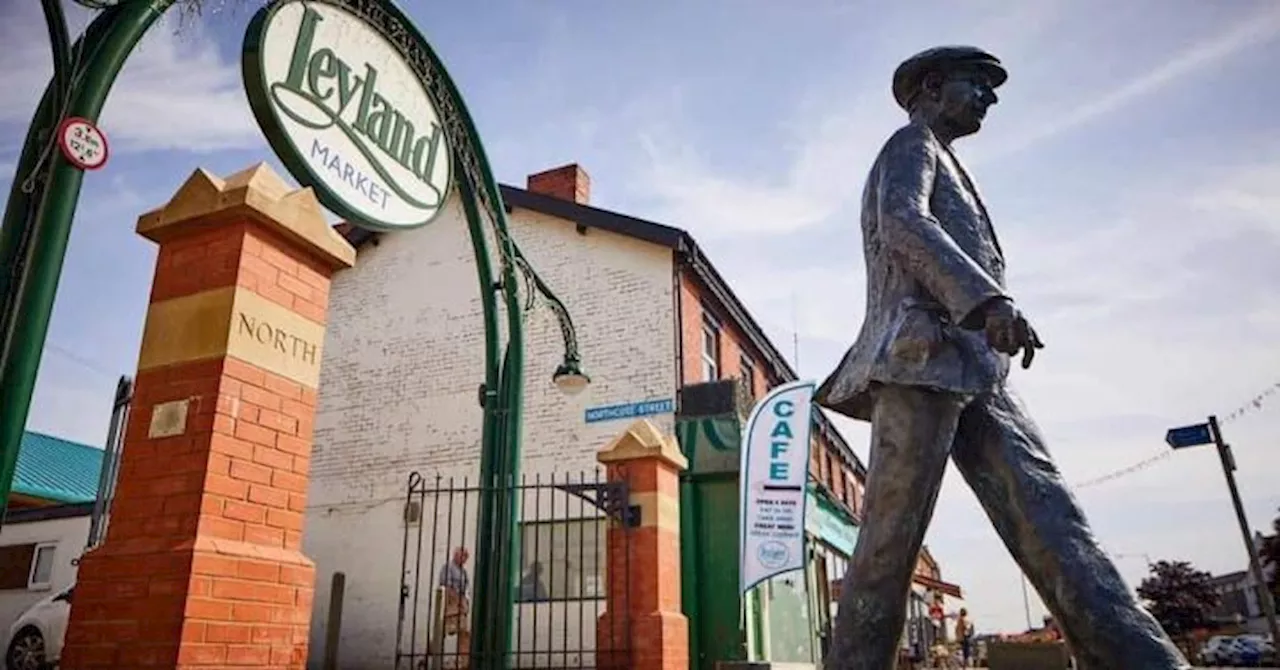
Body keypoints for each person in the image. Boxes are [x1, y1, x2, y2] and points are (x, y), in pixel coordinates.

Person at [816, 45, 1190, 670]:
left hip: (972, 363)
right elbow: (902, 222)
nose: (990, 98)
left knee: (1052, 520)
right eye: (978, 85)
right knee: (888, 547)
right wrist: (986, 300)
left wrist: (989, 313)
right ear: (932, 87)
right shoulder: (910, 148)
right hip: (921, 357)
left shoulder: (947, 161)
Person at [435, 546, 471, 669]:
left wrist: (465, 602)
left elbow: (466, 589)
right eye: (462, 556)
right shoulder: (448, 568)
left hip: (461, 606)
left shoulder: (464, 572)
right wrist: (457, 600)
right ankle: (428, 657)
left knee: (464, 634)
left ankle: (465, 663)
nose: (464, 559)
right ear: (455, 555)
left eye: (466, 557)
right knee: (441, 634)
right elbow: (446, 587)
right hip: (451, 606)